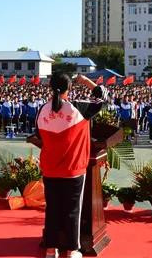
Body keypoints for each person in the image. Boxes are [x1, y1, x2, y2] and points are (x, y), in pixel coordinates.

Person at [37, 73, 109, 258]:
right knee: (73, 210)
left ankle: (51, 249)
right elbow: (103, 97)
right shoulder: (78, 107)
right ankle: (72, 250)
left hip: (50, 168)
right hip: (73, 168)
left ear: (50, 87)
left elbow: (38, 135)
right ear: (69, 89)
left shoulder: (42, 110)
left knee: (52, 209)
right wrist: (86, 81)